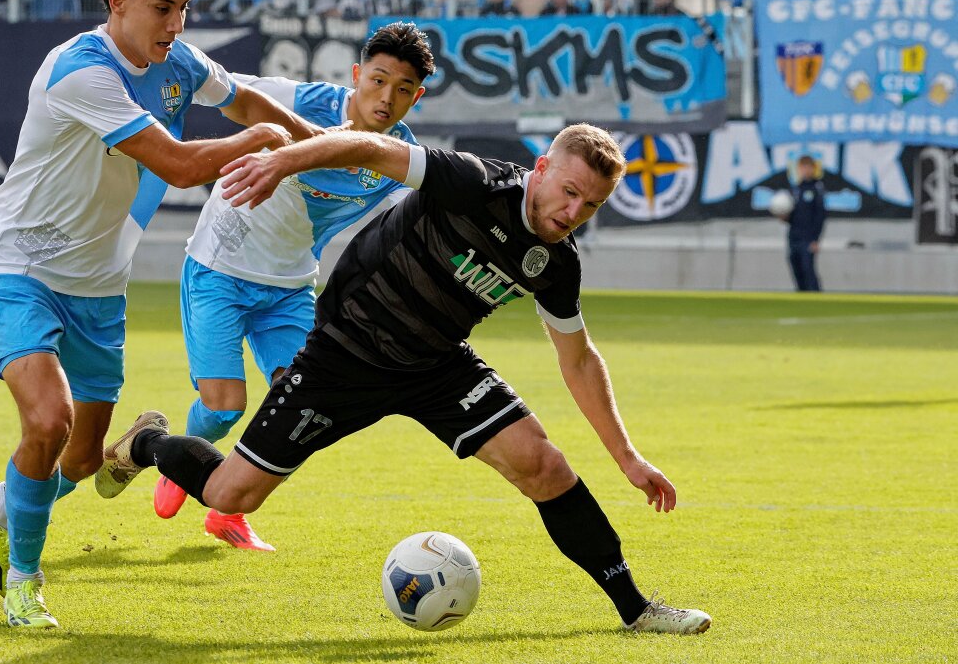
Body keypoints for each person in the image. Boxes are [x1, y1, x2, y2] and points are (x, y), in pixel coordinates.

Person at [97, 124, 713, 635]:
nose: (572, 213)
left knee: (544, 465)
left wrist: (628, 458)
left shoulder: (555, 261)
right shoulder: (471, 181)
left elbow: (578, 359)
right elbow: (367, 148)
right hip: (342, 357)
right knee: (232, 496)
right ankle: (147, 443)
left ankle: (636, 609)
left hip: (436, 365)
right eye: (569, 192)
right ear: (543, 165)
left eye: (591, 206)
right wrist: (283, 160)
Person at [0, 0, 323, 630]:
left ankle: (10, 504)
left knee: (74, 461)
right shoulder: (81, 71)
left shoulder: (177, 63)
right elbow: (183, 164)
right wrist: (265, 139)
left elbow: (242, 97)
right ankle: (23, 580)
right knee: (49, 420)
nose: (176, 25)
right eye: (163, 8)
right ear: (117, 2)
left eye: (184, 9)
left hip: (98, 285)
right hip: (21, 267)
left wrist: (318, 148)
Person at [149, 21, 433, 550]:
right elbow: (223, 88)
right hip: (219, 271)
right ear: (355, 75)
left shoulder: (398, 160)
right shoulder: (295, 100)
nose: (386, 98)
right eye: (377, 80)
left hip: (289, 289)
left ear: (417, 96)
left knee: (304, 406)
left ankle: (226, 512)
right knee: (223, 408)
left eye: (402, 89)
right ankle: (183, 457)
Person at [784, 155, 826, 292]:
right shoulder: (795, 189)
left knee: (808, 269)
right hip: (794, 237)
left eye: (808, 167)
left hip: (808, 238)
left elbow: (820, 216)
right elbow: (791, 216)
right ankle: (801, 296)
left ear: (813, 169)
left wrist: (815, 239)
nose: (805, 170)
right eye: (802, 167)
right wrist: (783, 217)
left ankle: (816, 298)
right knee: (796, 269)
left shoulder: (816, 188)